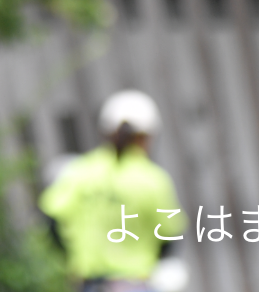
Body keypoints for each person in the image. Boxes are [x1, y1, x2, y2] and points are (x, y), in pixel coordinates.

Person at [39, 90, 187, 293]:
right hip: (136, 284)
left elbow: (50, 221)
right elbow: (170, 236)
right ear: (146, 137)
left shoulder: (79, 173)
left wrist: (70, 257)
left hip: (90, 285)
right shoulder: (153, 180)